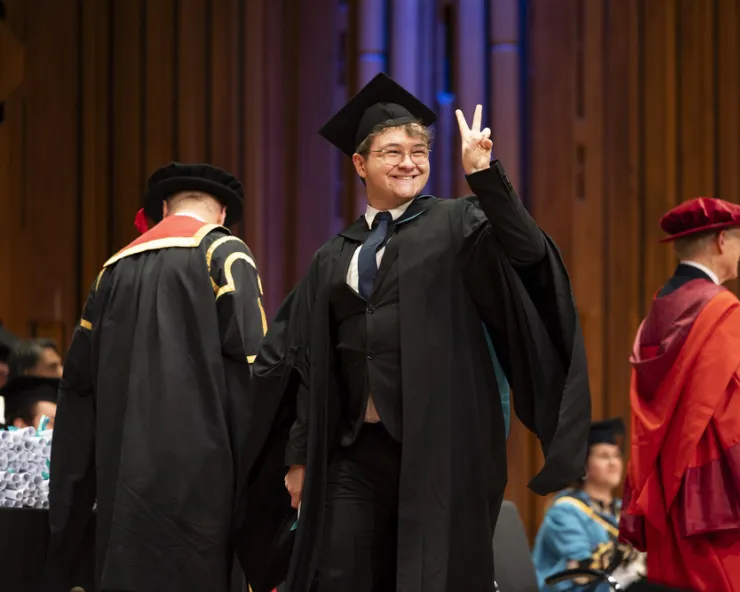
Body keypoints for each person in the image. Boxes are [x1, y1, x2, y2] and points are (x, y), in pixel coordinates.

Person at [238, 73, 591, 592]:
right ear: (360, 164)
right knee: (338, 574)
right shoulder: (334, 256)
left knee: (429, 577)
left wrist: (485, 175)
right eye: (392, 151)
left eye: (419, 150)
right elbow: (306, 362)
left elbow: (530, 252)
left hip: (438, 451)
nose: (409, 161)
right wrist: (297, 456)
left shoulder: (460, 223)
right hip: (351, 452)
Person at [40, 163, 268, 592]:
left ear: (164, 207)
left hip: (120, 485)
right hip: (201, 487)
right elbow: (252, 373)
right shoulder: (224, 254)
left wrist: (71, 506)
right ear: (221, 213)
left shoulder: (112, 270)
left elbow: (77, 391)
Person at [618, 197, 740, 592]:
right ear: (722, 240)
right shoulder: (720, 310)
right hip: (720, 504)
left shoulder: (655, 316)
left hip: (668, 498)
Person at [533, 418, 646, 592]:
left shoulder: (624, 509)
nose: (613, 463)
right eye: (604, 456)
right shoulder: (565, 511)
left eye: (617, 456)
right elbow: (582, 572)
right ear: (584, 466)